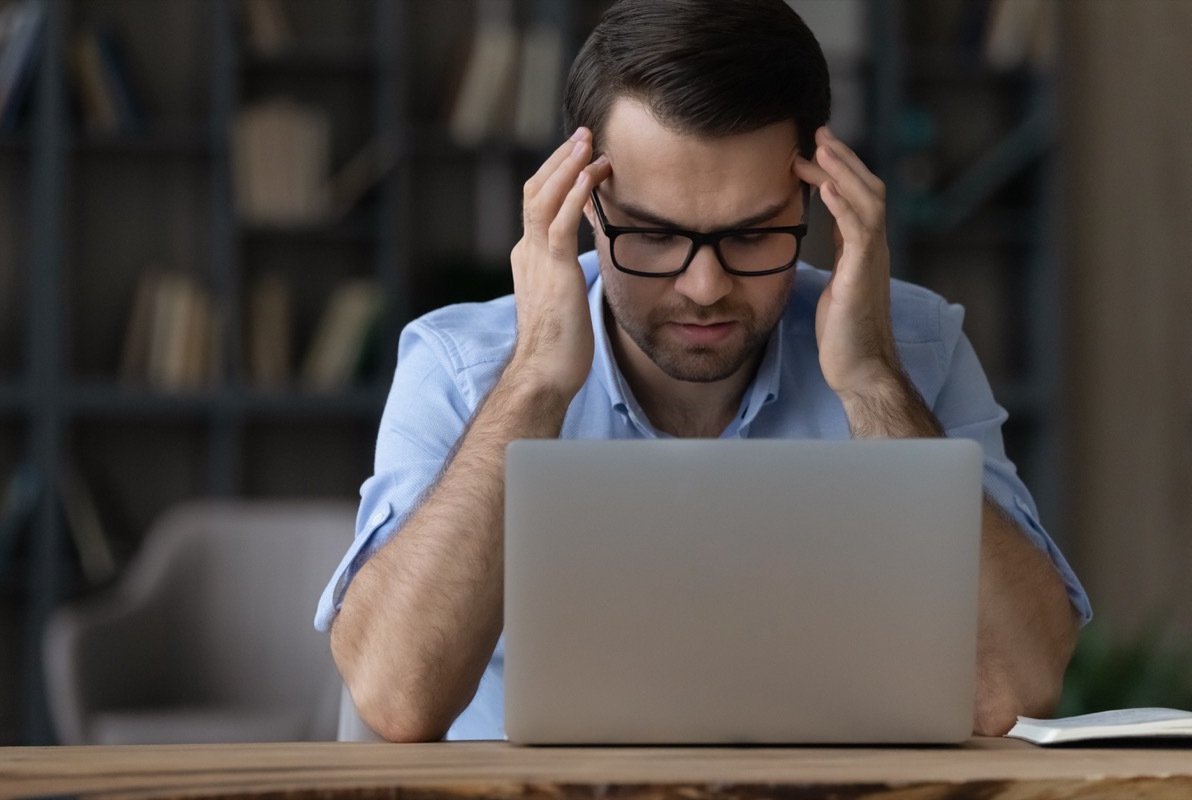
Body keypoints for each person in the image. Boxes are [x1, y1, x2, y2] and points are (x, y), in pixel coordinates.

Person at [315, 0, 1090, 742]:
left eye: (753, 236)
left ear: (817, 202)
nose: (704, 285)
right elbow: (397, 699)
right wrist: (536, 383)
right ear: (583, 206)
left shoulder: (915, 351)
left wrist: (875, 385)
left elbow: (1012, 692)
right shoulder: (462, 365)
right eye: (651, 236)